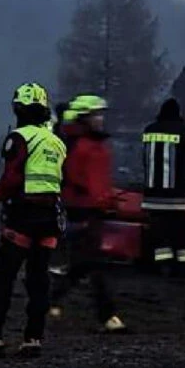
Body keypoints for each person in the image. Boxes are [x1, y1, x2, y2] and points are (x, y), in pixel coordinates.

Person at [0, 83, 66, 357]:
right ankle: (34, 337)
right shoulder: (56, 142)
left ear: (18, 108)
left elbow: (12, 176)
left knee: (4, 277)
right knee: (38, 280)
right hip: (49, 217)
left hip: (22, 216)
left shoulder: (19, 138)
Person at [49, 94, 126, 332]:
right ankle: (109, 316)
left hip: (94, 211)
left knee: (82, 266)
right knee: (94, 265)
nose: (100, 120)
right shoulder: (80, 147)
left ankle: (51, 301)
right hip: (83, 212)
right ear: (83, 118)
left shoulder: (96, 146)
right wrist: (103, 200)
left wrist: (110, 198)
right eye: (95, 115)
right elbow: (79, 181)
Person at [141, 98, 185, 277]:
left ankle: (162, 267)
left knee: (160, 235)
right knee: (182, 234)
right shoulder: (182, 132)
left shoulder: (149, 130)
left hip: (152, 196)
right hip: (177, 197)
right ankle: (184, 269)